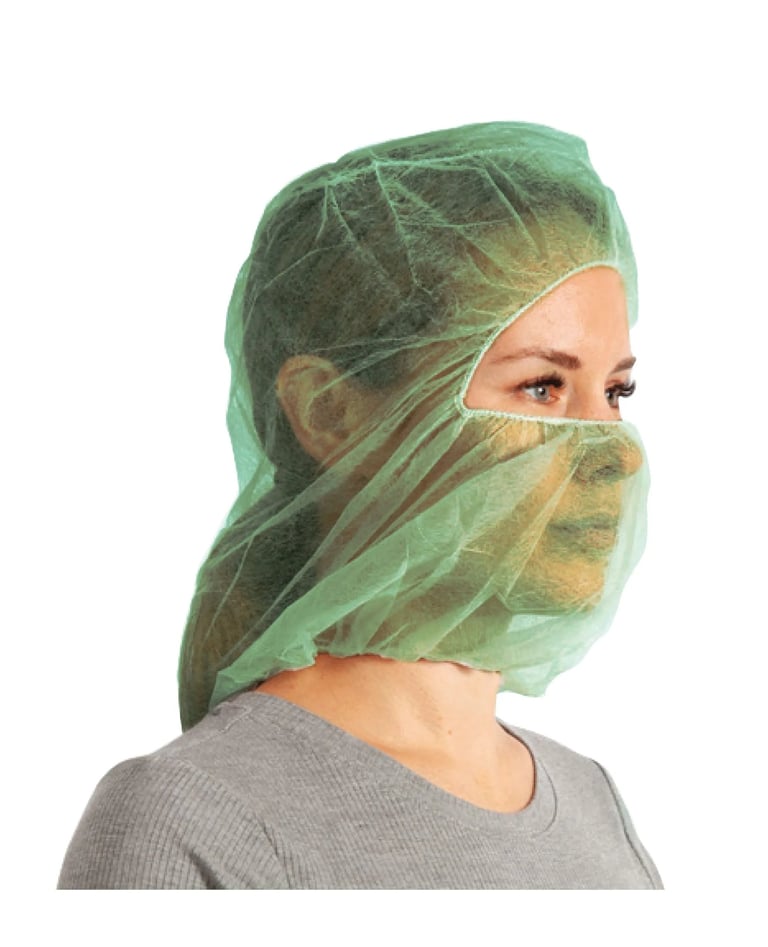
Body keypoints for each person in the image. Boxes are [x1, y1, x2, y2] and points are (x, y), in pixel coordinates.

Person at [57, 121, 663, 889]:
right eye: (541, 386)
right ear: (332, 414)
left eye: (616, 391)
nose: (617, 451)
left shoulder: (590, 802)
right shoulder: (191, 819)